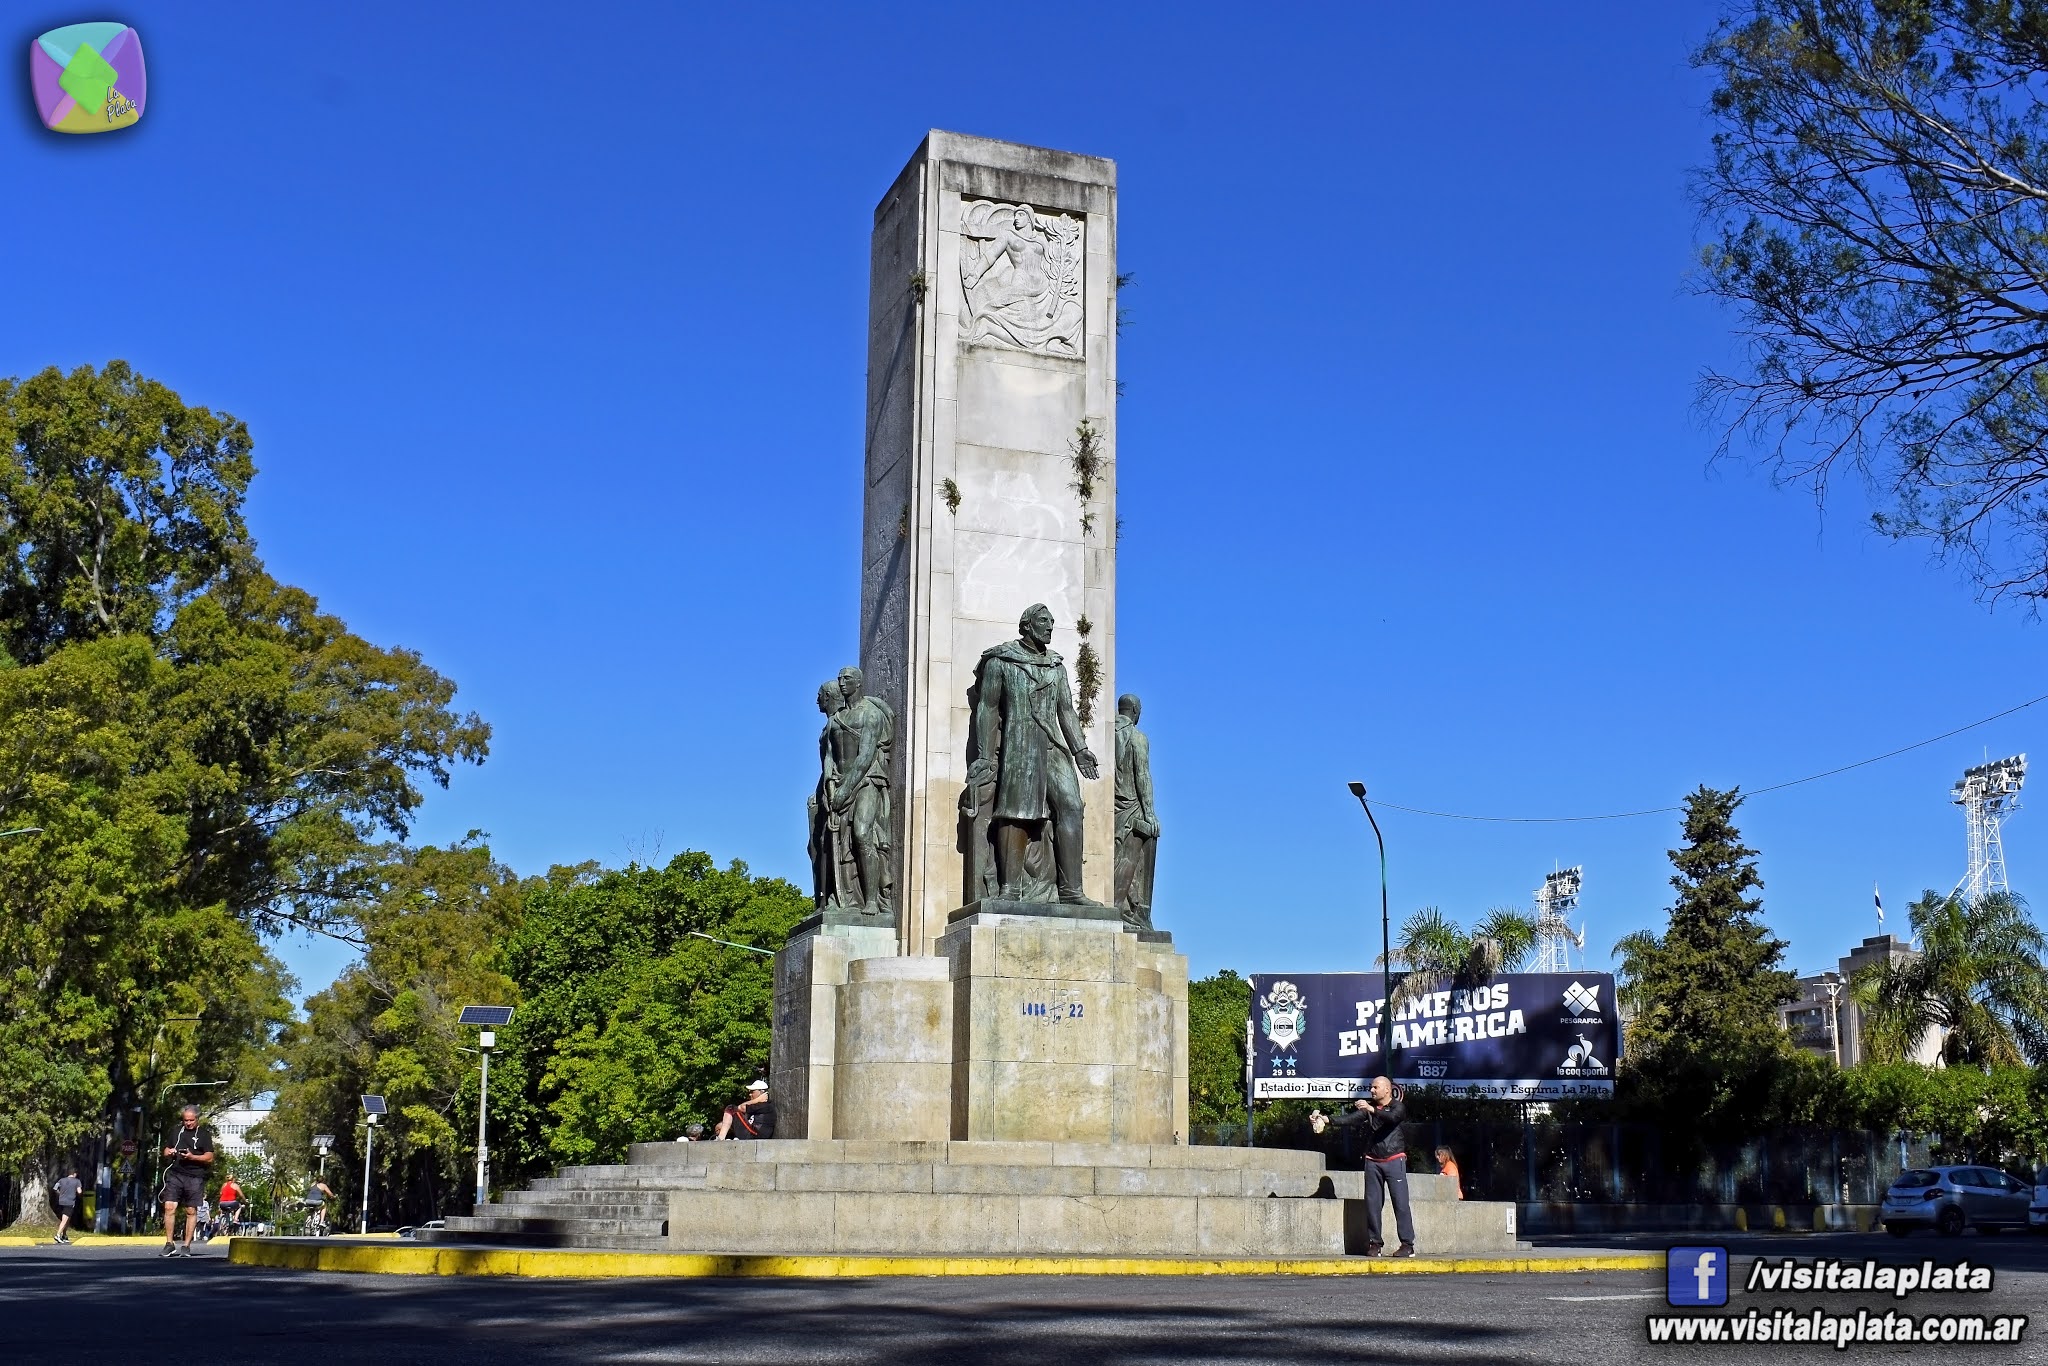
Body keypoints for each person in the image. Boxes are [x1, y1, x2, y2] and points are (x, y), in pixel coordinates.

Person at [1310, 1077, 1415, 1257]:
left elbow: (1392, 1118)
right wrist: (1324, 1119)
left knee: (1401, 1203)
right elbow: (1350, 1118)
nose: (1372, 1090)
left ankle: (1407, 1245)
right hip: (1372, 1161)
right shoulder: (1369, 1109)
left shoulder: (1398, 1107)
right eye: (1371, 1087)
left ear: (1387, 1090)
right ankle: (1375, 1244)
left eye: (1376, 1087)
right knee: (1373, 1204)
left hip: (1394, 1159)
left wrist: (1371, 1109)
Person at [159, 1105, 216, 1257]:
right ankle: (169, 1243)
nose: (188, 1123)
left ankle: (186, 1245)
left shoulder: (204, 1134)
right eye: (185, 1120)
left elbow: (209, 1157)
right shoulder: (176, 1131)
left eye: (191, 1120)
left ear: (197, 1119)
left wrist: (192, 1157)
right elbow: (165, 1150)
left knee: (190, 1210)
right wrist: (169, 1152)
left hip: (195, 1176)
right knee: (169, 1207)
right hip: (175, 1173)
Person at [52, 1166, 83, 1245]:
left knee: (67, 1219)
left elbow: (55, 1188)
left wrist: (60, 1194)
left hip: (61, 1201)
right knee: (65, 1220)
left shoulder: (61, 1180)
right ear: (75, 1174)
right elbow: (79, 1191)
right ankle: (58, 1235)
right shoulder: (77, 1181)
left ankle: (64, 1235)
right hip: (69, 1202)